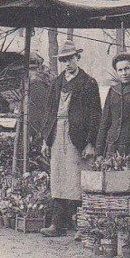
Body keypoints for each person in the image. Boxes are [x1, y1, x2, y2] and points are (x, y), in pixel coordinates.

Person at [39, 40, 101, 238]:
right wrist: (45, 140)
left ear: (78, 58)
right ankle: (57, 224)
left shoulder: (88, 83)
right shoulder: (56, 83)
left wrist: (90, 142)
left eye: (70, 59)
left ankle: (81, 226)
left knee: (77, 177)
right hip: (57, 132)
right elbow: (49, 112)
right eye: (63, 60)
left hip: (78, 136)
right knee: (58, 176)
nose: (67, 63)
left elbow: (95, 114)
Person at [95, 52, 130, 159]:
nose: (124, 73)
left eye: (127, 68)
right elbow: (105, 120)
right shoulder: (113, 90)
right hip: (112, 144)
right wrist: (99, 151)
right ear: (116, 72)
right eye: (120, 70)